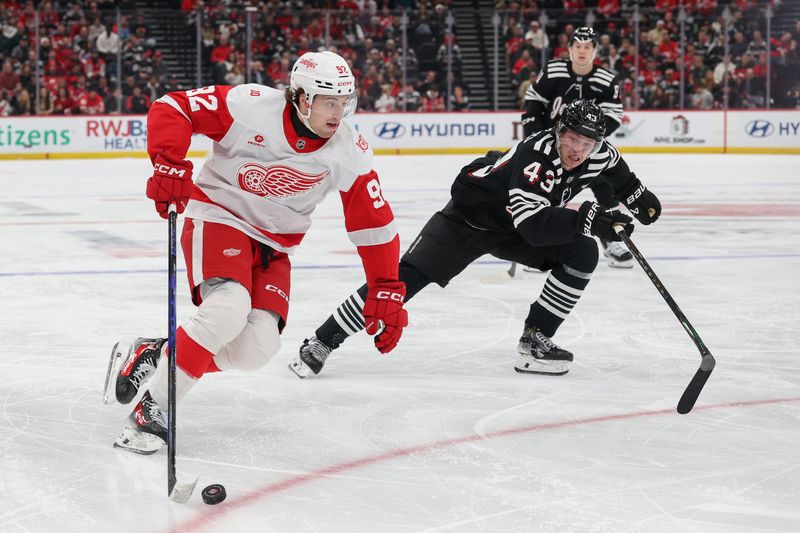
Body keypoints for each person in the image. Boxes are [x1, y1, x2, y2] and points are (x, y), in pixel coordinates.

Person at [103, 51, 409, 454]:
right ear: (301, 98)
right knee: (227, 307)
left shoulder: (348, 150)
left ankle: (158, 352)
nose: (339, 113)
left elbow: (374, 224)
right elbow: (173, 107)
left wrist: (386, 287)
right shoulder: (249, 106)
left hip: (274, 246)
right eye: (329, 101)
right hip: (219, 217)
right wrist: (168, 165)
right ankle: (154, 407)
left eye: (345, 102)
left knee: (255, 350)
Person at [289, 100, 661, 380]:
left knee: (581, 252)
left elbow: (622, 179)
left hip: (513, 226)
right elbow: (534, 227)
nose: (578, 149)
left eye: (588, 142)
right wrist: (591, 218)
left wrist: (641, 200)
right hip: (468, 221)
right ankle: (322, 340)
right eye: (573, 137)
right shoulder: (537, 154)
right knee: (402, 280)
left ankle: (535, 341)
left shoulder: (599, 156)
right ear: (558, 131)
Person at [521, 27, 632, 268]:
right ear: (570, 49)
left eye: (587, 47)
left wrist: (591, 142)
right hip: (551, 144)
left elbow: (613, 115)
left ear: (595, 51)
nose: (582, 51)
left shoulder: (606, 79)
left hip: (585, 146)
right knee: (545, 190)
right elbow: (533, 105)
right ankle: (536, 246)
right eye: (578, 46)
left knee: (605, 185)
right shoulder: (552, 71)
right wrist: (539, 139)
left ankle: (611, 239)